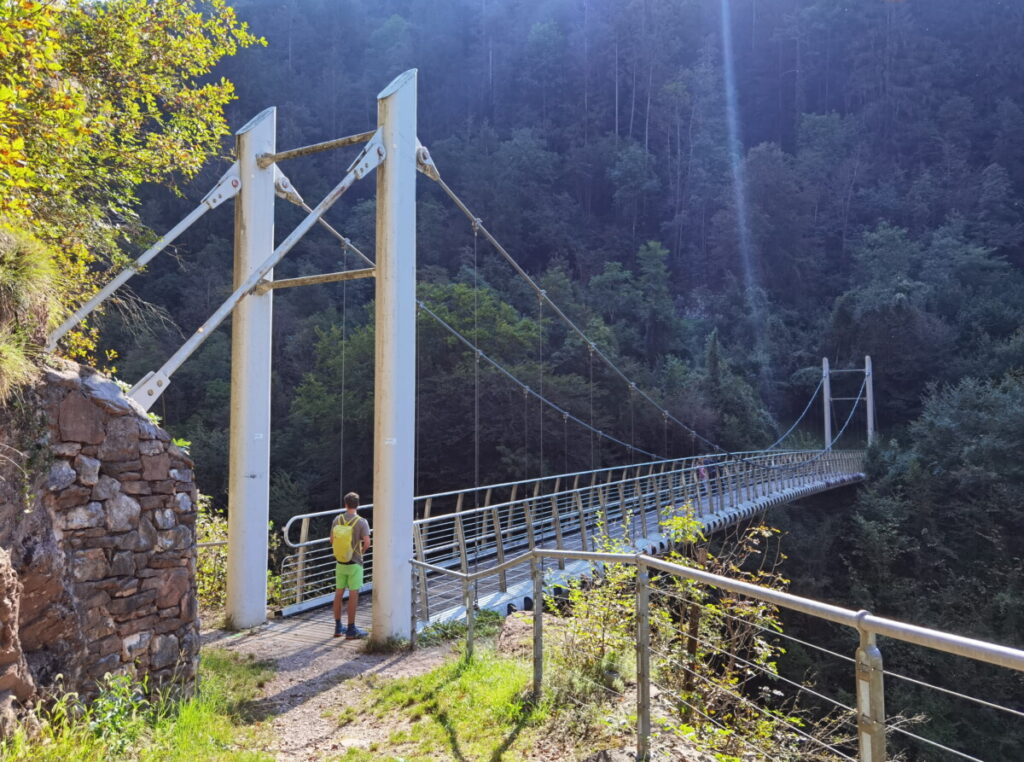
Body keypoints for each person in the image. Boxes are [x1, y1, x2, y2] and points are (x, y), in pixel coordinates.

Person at [331, 491, 371, 639]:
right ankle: (351, 629)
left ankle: (337, 627)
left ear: (345, 504)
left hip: (340, 562)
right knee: (353, 595)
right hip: (355, 563)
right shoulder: (361, 522)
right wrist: (361, 551)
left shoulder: (337, 519)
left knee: (338, 593)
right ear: (358, 505)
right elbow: (367, 542)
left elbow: (331, 539)